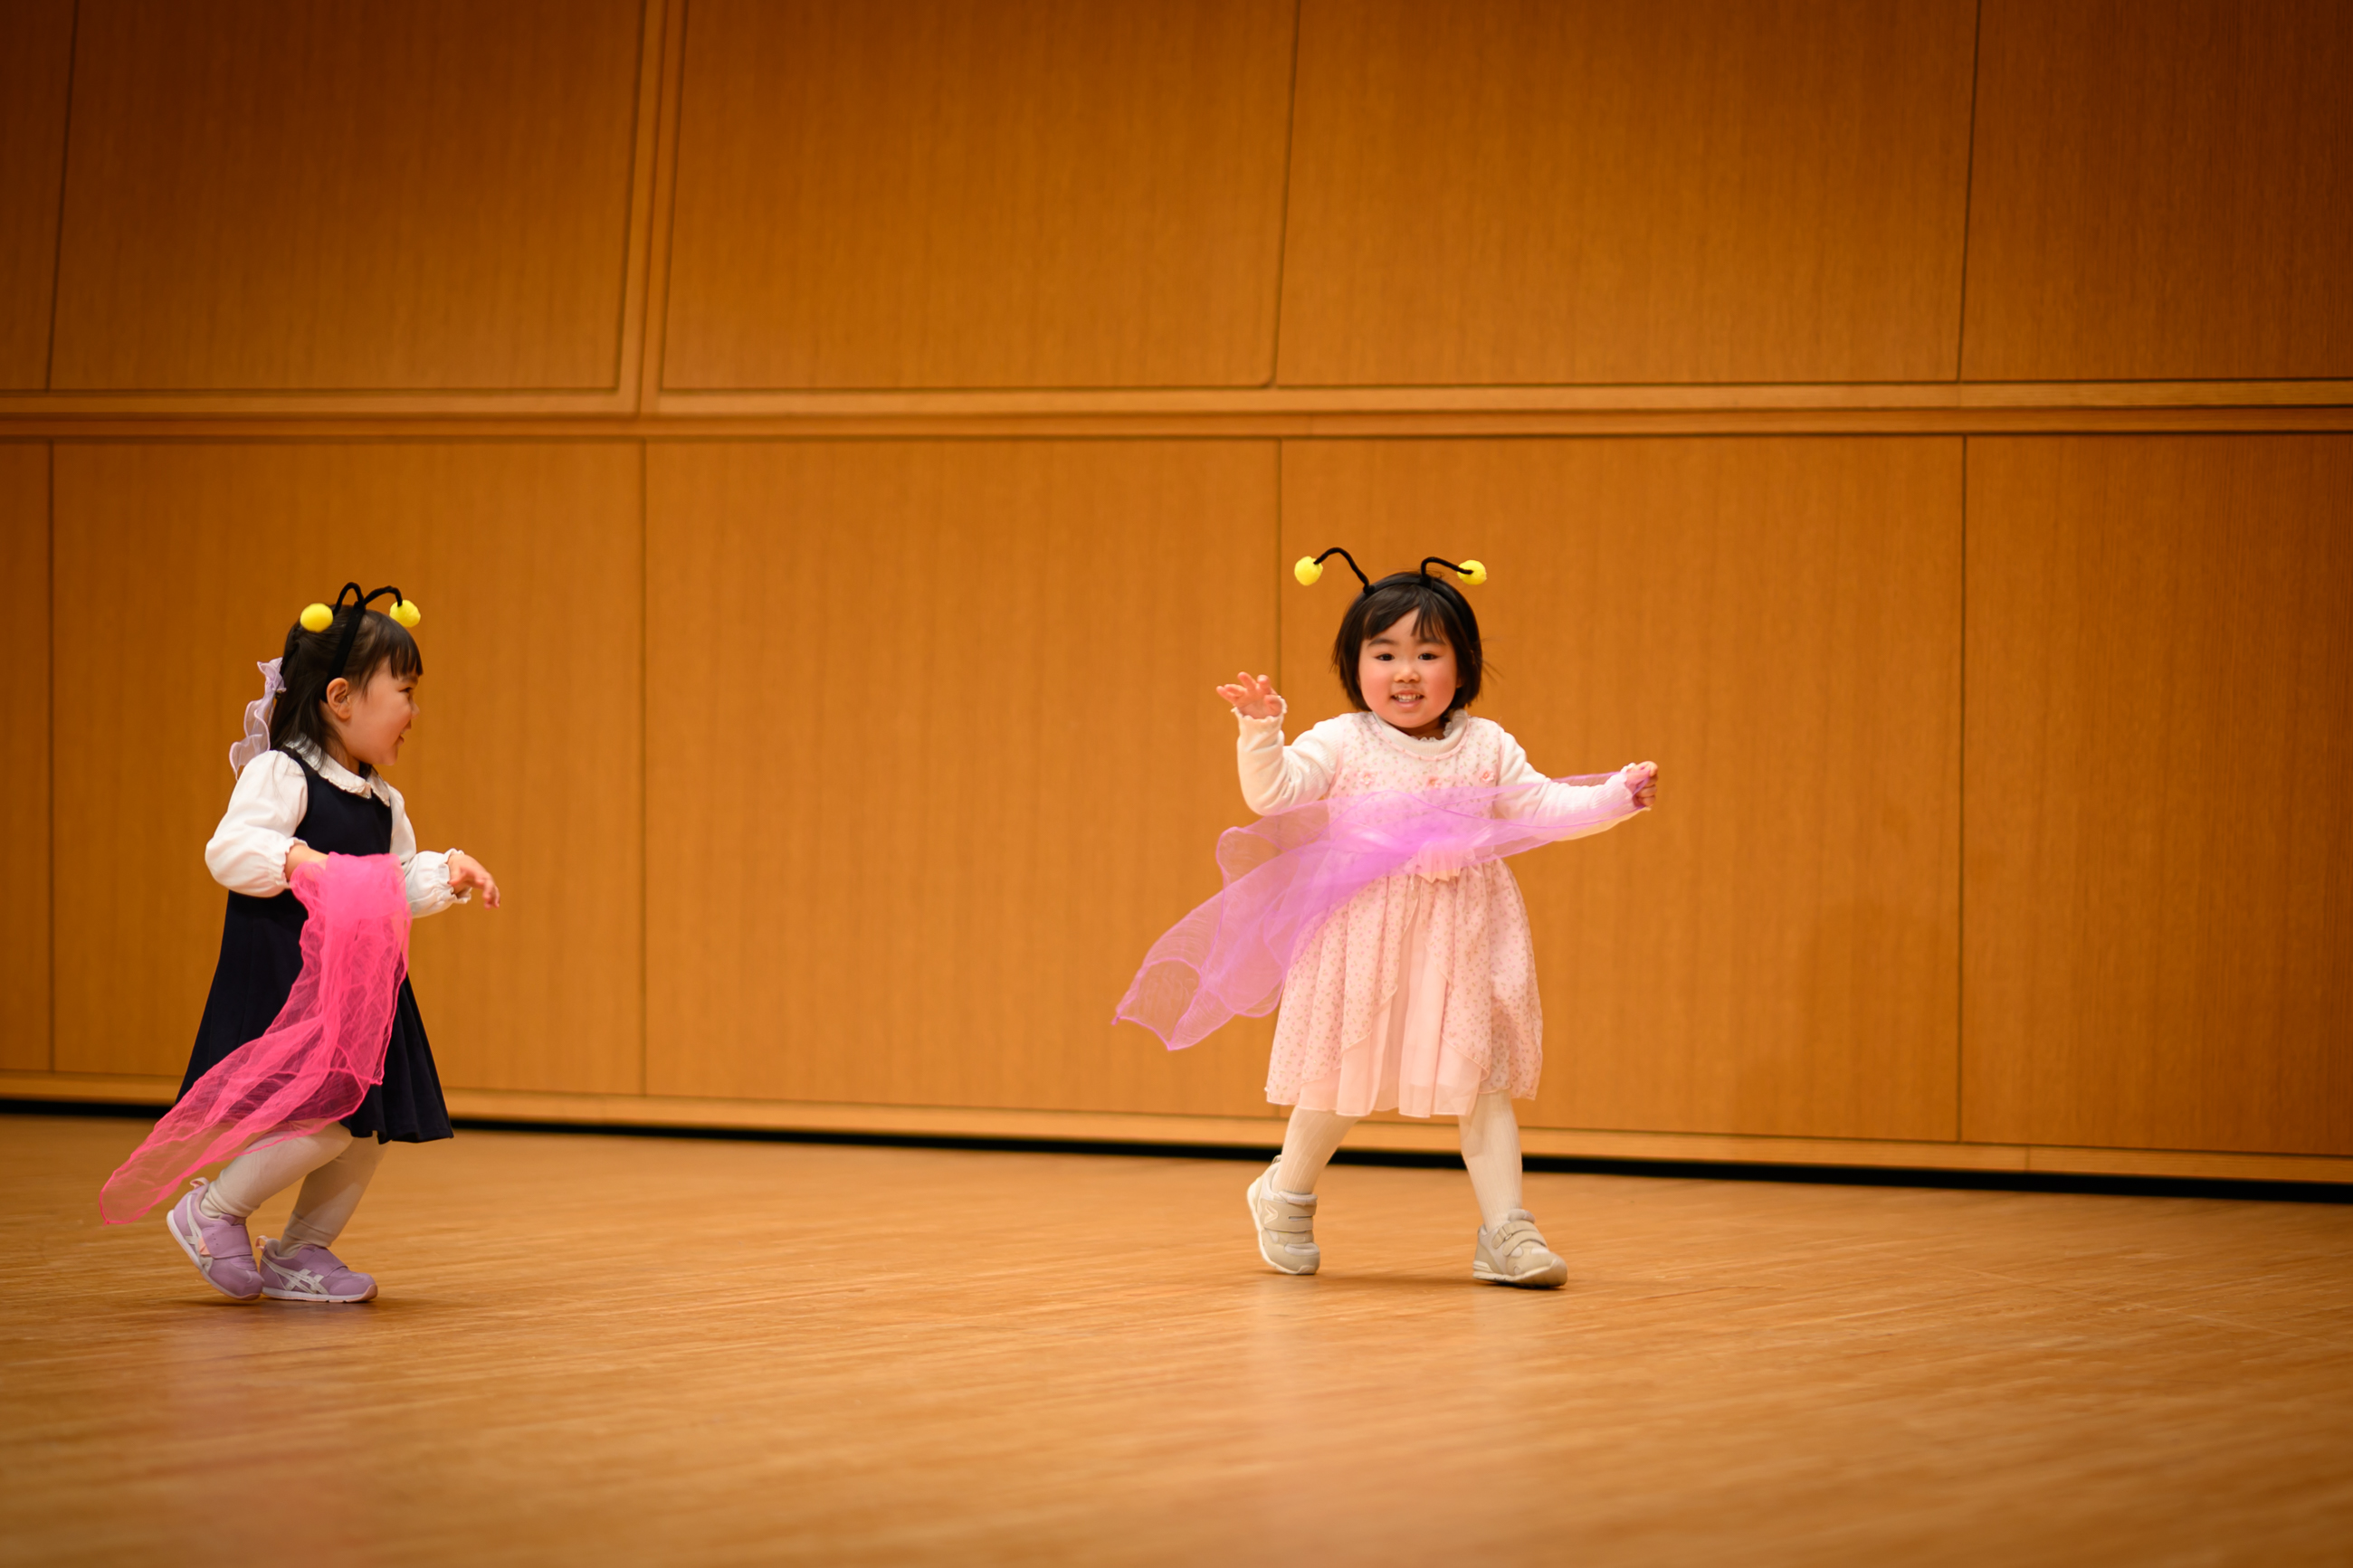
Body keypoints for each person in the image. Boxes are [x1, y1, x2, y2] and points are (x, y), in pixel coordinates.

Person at [1120, 550, 1656, 1288]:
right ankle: (1285, 1191)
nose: (1407, 670)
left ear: (1461, 668)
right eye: (1385, 653)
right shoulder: (1343, 741)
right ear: (1355, 665)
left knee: (1482, 1079)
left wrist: (1613, 796)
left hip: (1463, 938)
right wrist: (1261, 730)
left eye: (1428, 653)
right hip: (1360, 939)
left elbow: (1542, 807)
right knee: (1340, 1077)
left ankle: (1507, 1231)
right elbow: (1274, 795)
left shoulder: (1488, 744)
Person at [134, 584, 500, 1304]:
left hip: (358, 989)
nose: (414, 712)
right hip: (287, 980)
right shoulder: (282, 773)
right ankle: (211, 1212)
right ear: (341, 697)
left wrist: (445, 872)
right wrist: (295, 861)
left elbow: (393, 880)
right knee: (327, 1123)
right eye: (404, 691)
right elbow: (230, 849)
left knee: (363, 1129)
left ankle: (302, 1250)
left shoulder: (382, 801)